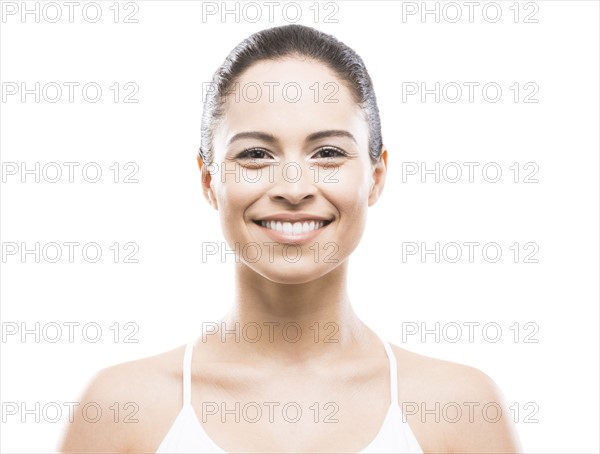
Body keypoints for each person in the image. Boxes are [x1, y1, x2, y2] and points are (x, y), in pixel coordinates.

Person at [58, 24, 522, 453]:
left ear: (376, 176)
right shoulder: (122, 411)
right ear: (207, 181)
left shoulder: (459, 411)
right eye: (256, 154)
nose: (295, 187)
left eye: (328, 153)